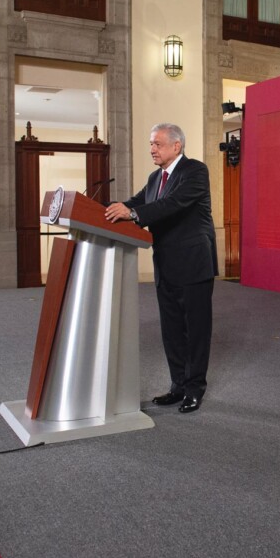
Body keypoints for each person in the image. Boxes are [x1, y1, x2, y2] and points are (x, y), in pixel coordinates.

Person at [105, 123, 218, 414]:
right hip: (165, 263)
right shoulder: (156, 177)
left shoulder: (195, 171)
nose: (152, 149)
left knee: (195, 330)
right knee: (171, 330)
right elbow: (139, 201)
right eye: (151, 144)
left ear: (176, 146)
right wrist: (109, 210)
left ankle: (194, 389)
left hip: (194, 264)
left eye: (157, 144)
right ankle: (177, 386)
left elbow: (173, 204)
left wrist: (132, 213)